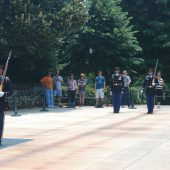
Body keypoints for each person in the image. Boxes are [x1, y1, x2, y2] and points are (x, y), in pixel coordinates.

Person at [0, 65, 11, 145]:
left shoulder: (6, 80)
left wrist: (3, 93)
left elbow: (10, 92)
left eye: (1, 70)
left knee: (0, 122)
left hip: (1, 103)